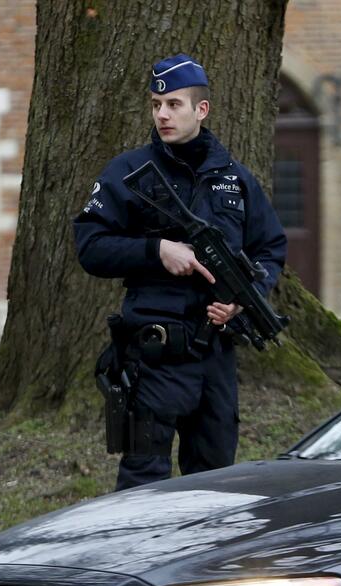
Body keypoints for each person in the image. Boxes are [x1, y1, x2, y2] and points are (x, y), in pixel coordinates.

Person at [73, 53, 287, 490]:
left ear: (201, 110)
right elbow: (91, 246)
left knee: (215, 482)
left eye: (173, 105)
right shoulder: (128, 172)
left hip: (216, 356)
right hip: (156, 351)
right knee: (142, 485)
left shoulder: (235, 178)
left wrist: (243, 299)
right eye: (156, 105)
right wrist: (157, 251)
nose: (163, 115)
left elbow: (270, 247)